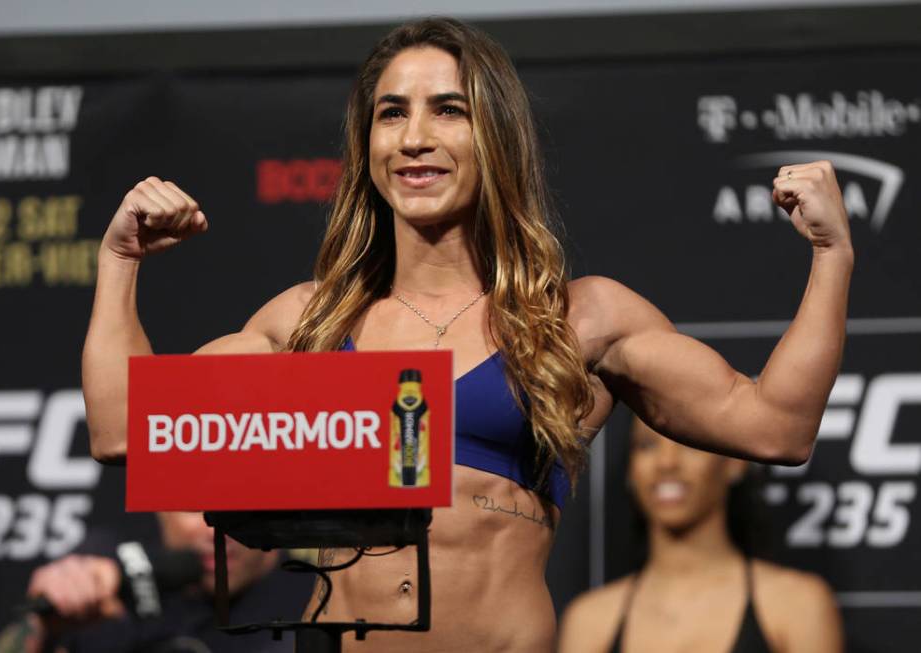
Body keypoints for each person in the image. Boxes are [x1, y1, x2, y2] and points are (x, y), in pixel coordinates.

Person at [81, 17, 853, 653]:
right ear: (367, 146)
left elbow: (777, 425)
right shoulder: (306, 324)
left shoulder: (578, 319)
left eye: (448, 109)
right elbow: (126, 431)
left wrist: (831, 254)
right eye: (392, 112)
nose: (416, 137)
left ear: (496, 136)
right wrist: (119, 261)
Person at [558, 416, 844, 653]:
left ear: (735, 463)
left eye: (690, 444)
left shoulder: (797, 605)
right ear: (631, 473)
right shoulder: (590, 622)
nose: (666, 463)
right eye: (646, 446)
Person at [0, 512, 312, 653]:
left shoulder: (321, 597)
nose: (215, 532)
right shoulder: (105, 566)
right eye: (193, 505)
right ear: (161, 507)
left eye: (237, 509)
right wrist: (45, 628)